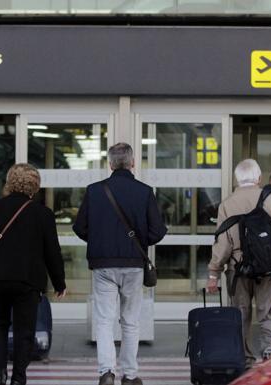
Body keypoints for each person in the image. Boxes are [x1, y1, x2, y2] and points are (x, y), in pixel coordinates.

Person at [73, 143, 167, 385]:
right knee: (130, 320)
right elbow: (158, 231)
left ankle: (106, 372)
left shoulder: (94, 191)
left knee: (104, 319)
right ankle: (130, 374)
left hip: (103, 264)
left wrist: (99, 241)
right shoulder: (145, 191)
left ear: (111, 164)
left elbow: (79, 227)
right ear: (132, 163)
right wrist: (139, 243)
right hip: (134, 264)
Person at [0, 163, 66, 385]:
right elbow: (52, 252)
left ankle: (0, 371)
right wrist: (59, 282)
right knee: (24, 330)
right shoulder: (43, 214)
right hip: (28, 280)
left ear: (10, 182)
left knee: (0, 326)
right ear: (35, 185)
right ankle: (19, 377)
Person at [207, 159, 271, 366]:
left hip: (238, 269)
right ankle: (270, 351)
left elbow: (222, 244)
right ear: (259, 178)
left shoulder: (227, 204)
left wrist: (213, 274)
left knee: (241, 314)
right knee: (268, 312)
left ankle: (245, 358)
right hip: (269, 267)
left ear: (236, 179)